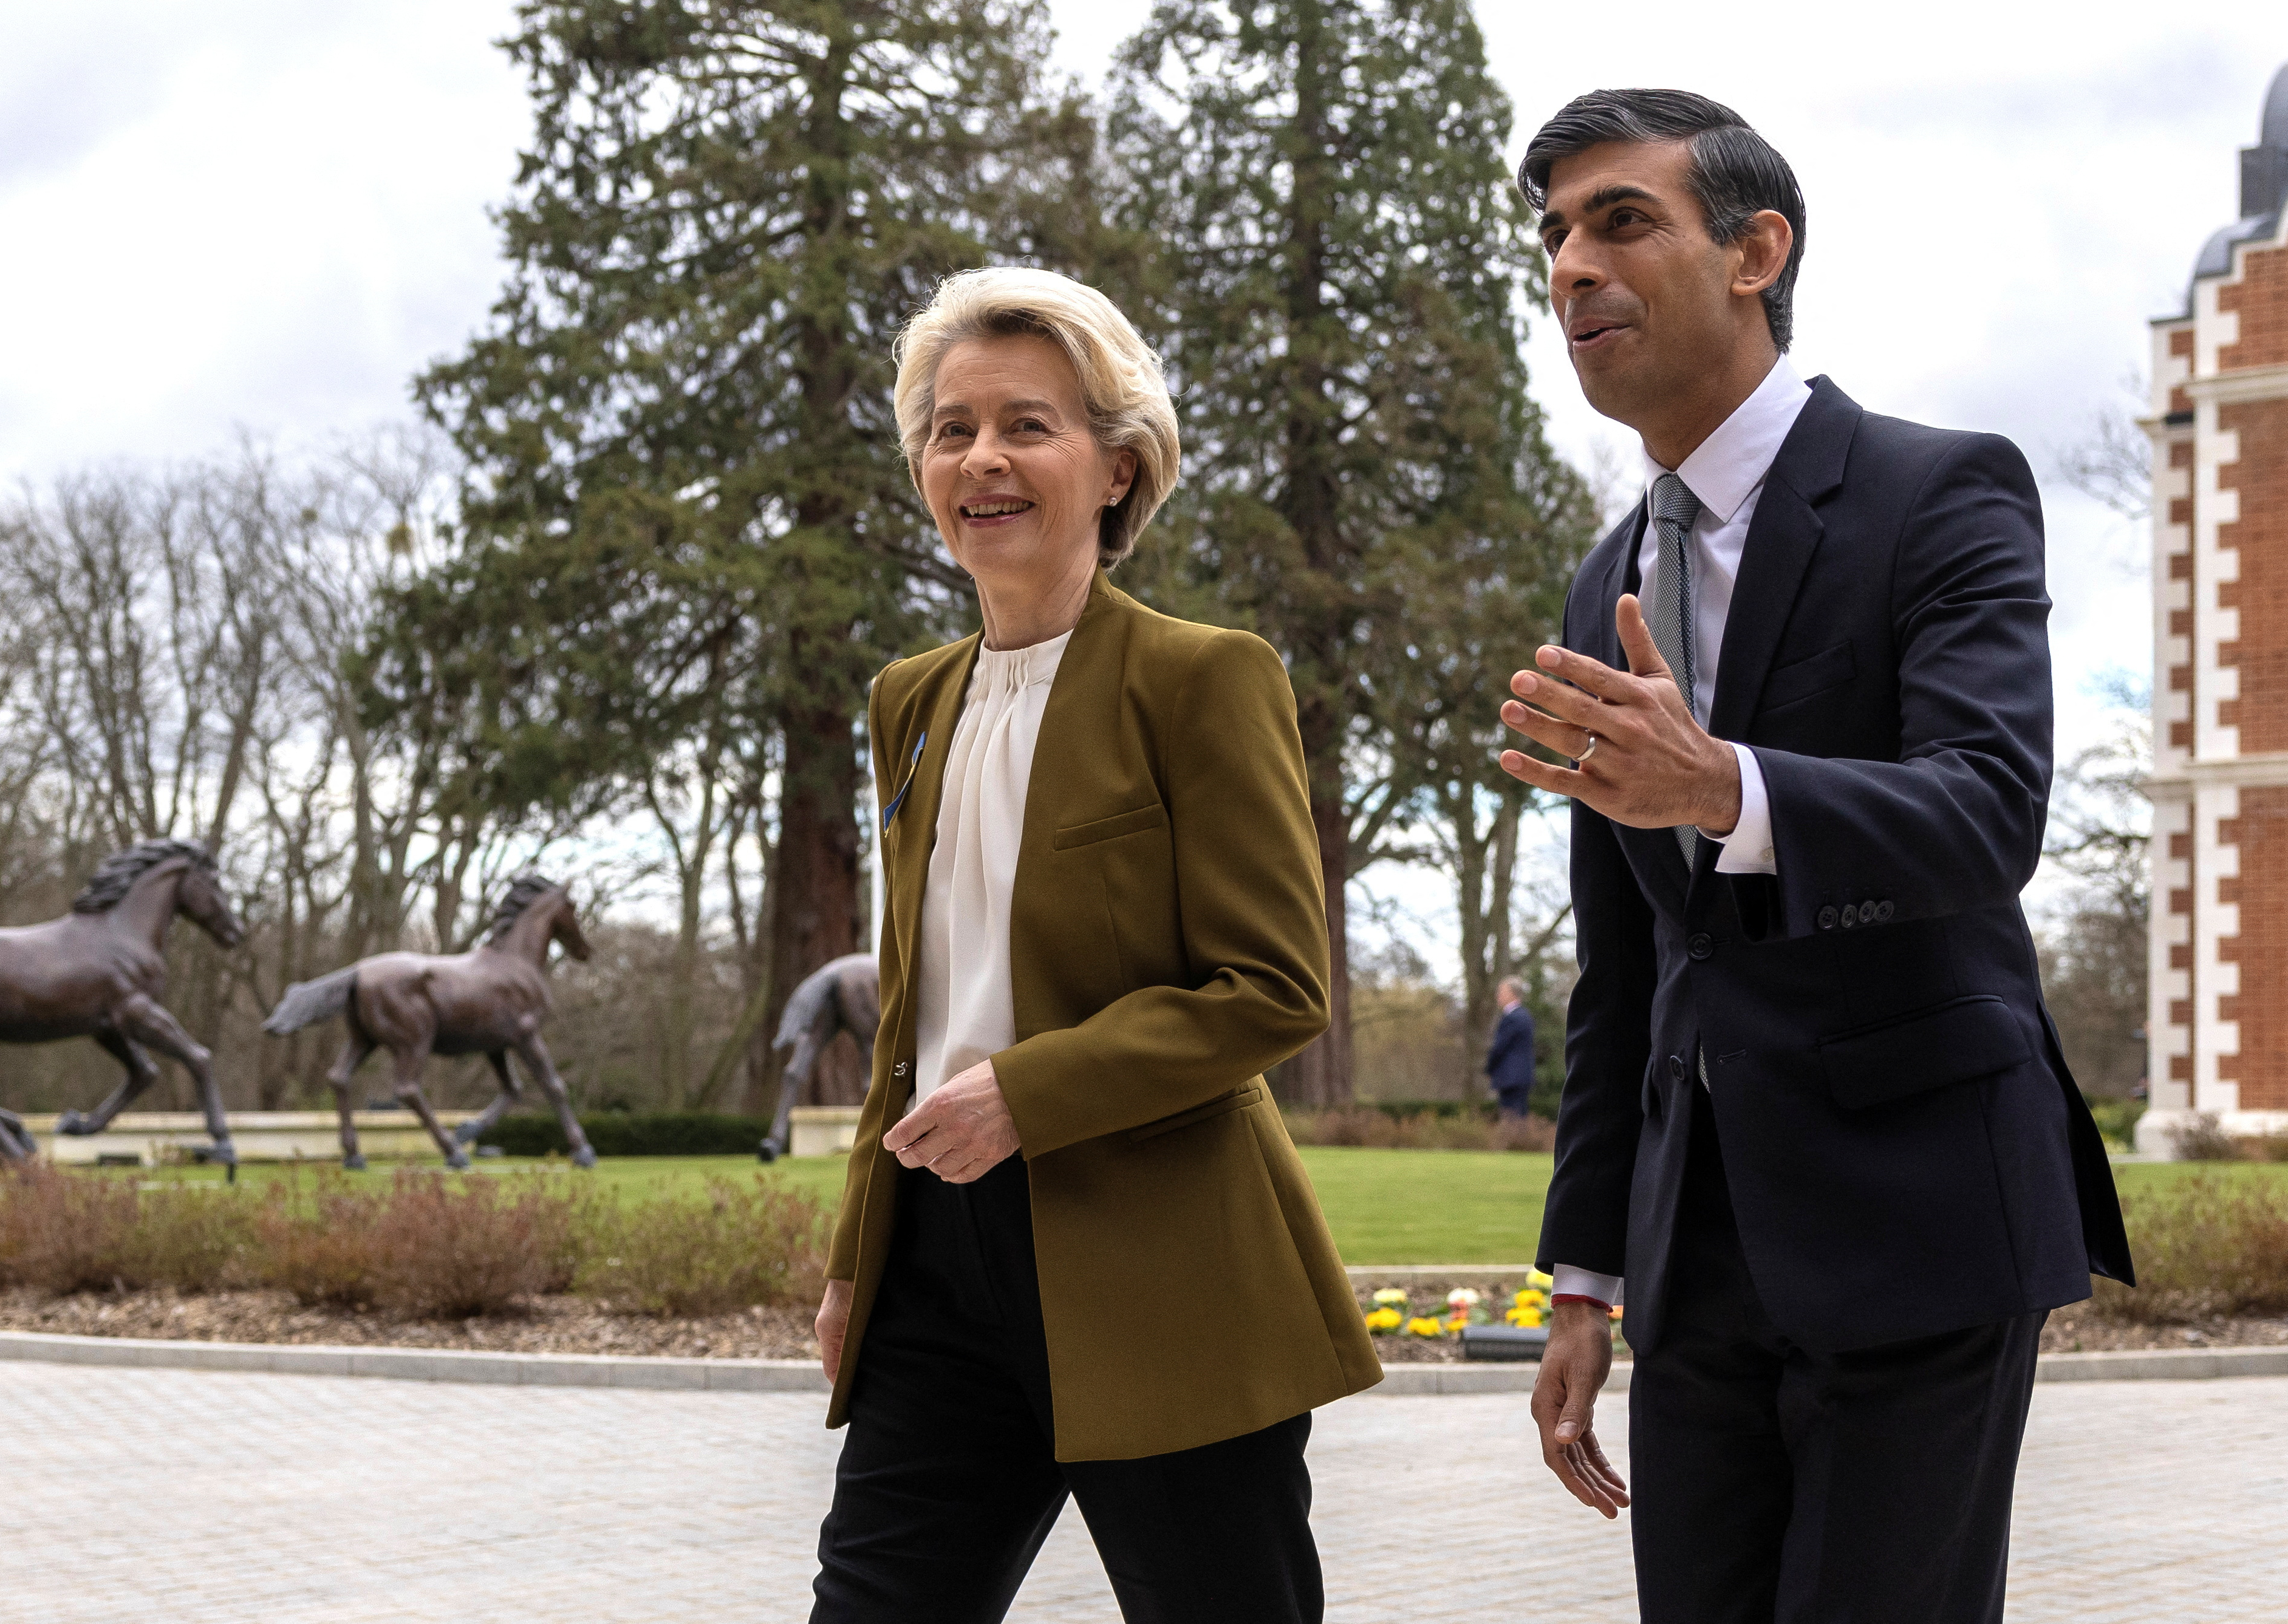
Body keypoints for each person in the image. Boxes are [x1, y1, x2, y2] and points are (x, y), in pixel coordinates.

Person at [1493, 90, 2132, 1623]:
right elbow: (1624, 965)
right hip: (1695, 1247)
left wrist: (1723, 786)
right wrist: (1581, 1277)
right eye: (1553, 235)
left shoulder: (1939, 490)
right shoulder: (1603, 585)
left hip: (1916, 1211)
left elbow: (1987, 811)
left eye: (1620, 222)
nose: (1570, 265)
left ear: (1752, 251)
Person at [808, 265, 1379, 1623]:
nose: (981, 458)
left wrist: (1026, 1091)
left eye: (1027, 424)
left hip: (1164, 1260)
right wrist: (855, 1255)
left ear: (1119, 468)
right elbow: (912, 1013)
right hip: (937, 1269)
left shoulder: (1203, 677)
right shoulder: (908, 701)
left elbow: (1273, 986)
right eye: (951, 429)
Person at [1486, 977, 1535, 1119]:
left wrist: (1490, 1069)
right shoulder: (1525, 1016)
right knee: (1519, 1118)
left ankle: (1515, 1141)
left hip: (1510, 1077)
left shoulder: (1512, 1017)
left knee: (1511, 1120)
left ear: (1512, 993)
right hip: (1521, 1076)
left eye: (1501, 992)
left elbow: (1499, 1048)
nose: (1498, 996)